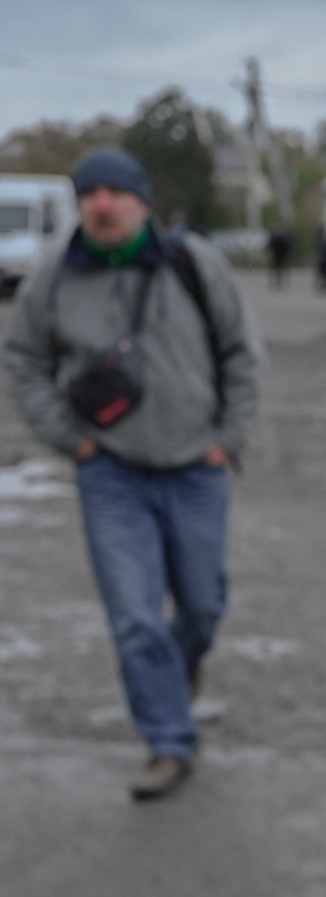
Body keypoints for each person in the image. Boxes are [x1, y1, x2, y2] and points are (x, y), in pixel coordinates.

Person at [3, 146, 264, 801]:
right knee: (135, 617)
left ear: (141, 200)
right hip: (110, 473)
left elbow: (241, 351)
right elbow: (24, 359)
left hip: (195, 467)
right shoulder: (54, 276)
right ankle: (168, 741)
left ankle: (181, 666)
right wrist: (70, 439)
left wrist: (226, 438)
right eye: (89, 193)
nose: (102, 203)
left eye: (115, 192)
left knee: (202, 604)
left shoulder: (192, 262)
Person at [267, 224, 292, 289]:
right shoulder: (275, 238)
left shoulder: (284, 238)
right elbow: (271, 245)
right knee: (276, 269)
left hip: (283, 256)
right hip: (276, 255)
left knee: (283, 269)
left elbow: (287, 246)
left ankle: (284, 281)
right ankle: (276, 281)